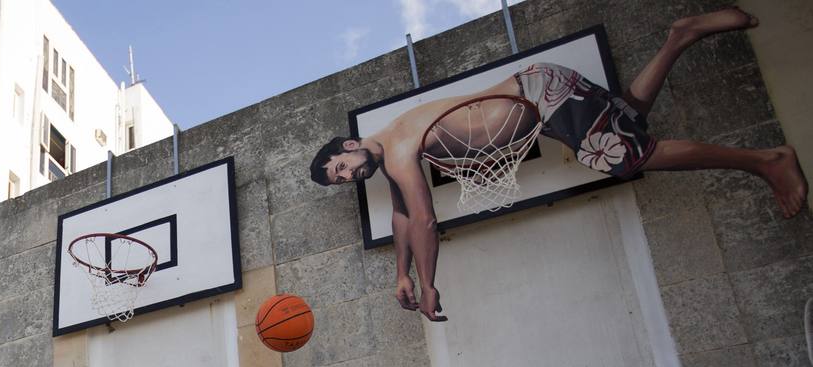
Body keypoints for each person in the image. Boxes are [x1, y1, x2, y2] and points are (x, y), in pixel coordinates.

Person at [309, 8, 807, 322]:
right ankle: (681, 35)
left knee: (629, 159)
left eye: (342, 167)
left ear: (350, 145)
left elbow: (423, 220)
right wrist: (401, 274)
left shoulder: (397, 148)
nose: (349, 177)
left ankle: (765, 161)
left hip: (540, 96)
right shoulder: (392, 151)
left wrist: (429, 284)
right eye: (341, 180)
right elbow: (401, 216)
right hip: (542, 93)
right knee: (628, 121)